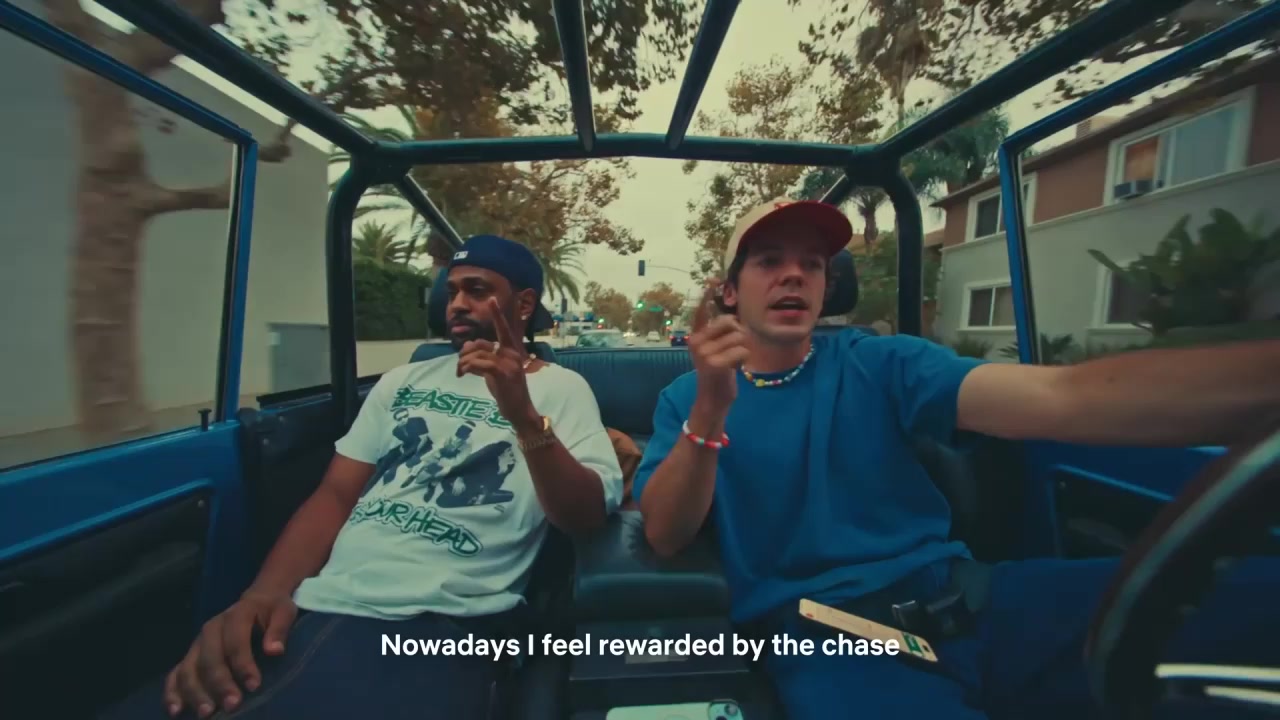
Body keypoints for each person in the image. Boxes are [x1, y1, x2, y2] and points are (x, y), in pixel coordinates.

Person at [632, 198, 1280, 719]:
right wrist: (711, 410)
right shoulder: (686, 397)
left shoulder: (881, 362)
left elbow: (1063, 397)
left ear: (827, 287)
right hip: (830, 638)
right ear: (729, 292)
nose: (794, 274)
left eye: (813, 263)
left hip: (970, 598)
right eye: (770, 261)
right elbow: (664, 533)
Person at [134, 234, 623, 719]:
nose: (457, 303)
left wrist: (523, 417)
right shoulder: (402, 381)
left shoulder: (561, 388)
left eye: (477, 290)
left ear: (524, 304)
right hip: (322, 604)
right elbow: (335, 495)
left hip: (445, 622)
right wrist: (264, 594)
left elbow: (584, 515)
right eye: (452, 290)